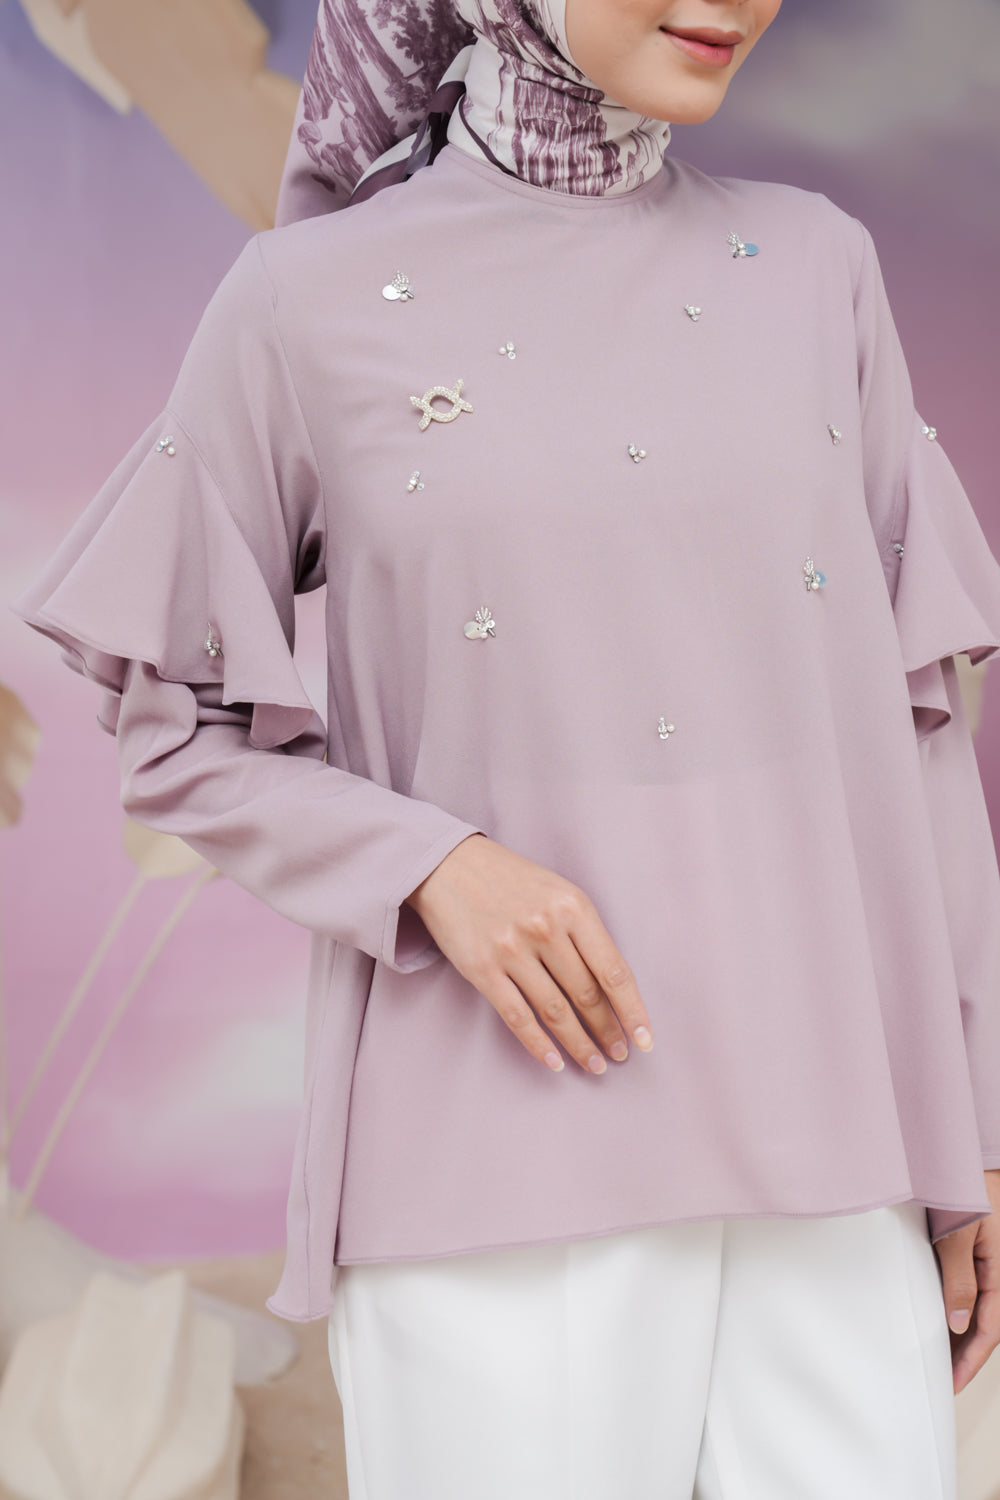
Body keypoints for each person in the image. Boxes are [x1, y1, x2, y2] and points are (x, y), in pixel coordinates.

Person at [14, 0, 1000, 1494]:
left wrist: (975, 1120)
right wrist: (431, 868)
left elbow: (919, 719)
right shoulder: (307, 299)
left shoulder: (816, 267)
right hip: (492, 1177)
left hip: (838, 1158)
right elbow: (175, 732)